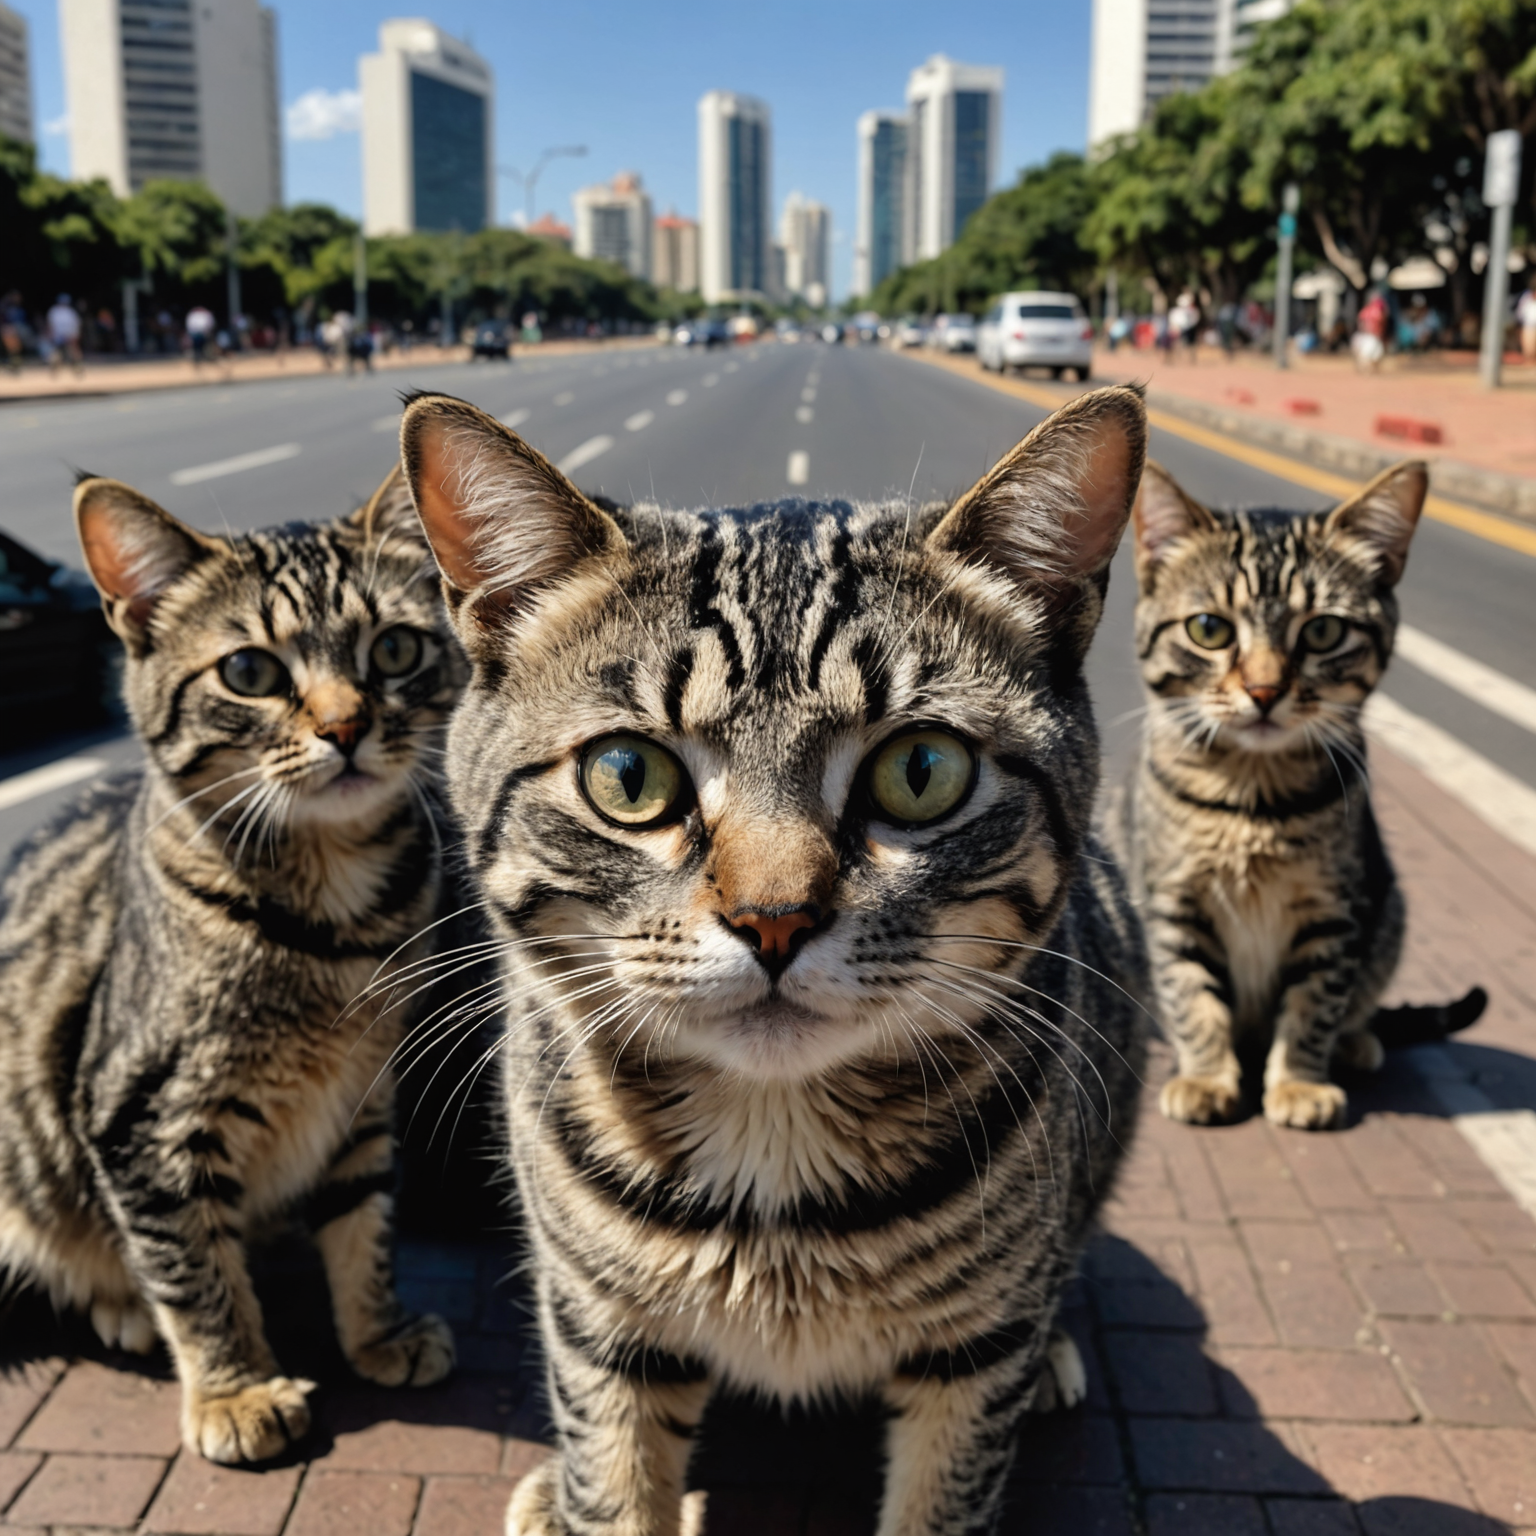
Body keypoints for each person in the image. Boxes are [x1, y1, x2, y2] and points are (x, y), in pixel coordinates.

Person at [46, 294, 84, 376]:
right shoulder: (54, 311)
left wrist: (75, 336)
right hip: (58, 336)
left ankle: (77, 367)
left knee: (74, 351)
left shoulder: (71, 312)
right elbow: (50, 325)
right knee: (56, 353)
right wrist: (51, 335)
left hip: (69, 336)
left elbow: (76, 325)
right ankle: (54, 369)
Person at [0, 291, 26, 373]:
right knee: (12, 347)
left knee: (15, 349)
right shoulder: (5, 305)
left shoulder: (15, 307)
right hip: (7, 329)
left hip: (13, 329)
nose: (18, 299)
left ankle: (14, 366)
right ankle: (12, 365)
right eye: (16, 296)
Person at [1517, 278, 1536, 364]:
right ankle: (1529, 363)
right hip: (1529, 326)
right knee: (1528, 349)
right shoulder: (1527, 296)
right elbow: (1520, 311)